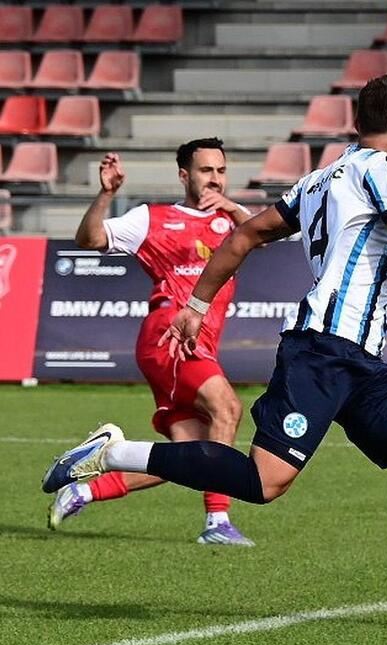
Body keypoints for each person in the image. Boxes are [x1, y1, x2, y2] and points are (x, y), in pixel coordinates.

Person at [42, 76, 387, 619]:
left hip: (360, 361)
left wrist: (196, 305)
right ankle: (111, 453)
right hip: (323, 351)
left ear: (358, 122)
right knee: (265, 482)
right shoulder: (382, 169)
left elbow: (243, 236)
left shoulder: (315, 182)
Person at [48, 139, 255, 546]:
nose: (214, 178)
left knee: (191, 456)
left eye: (220, 170)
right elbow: (89, 241)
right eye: (204, 171)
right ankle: (217, 523)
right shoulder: (153, 219)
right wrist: (107, 195)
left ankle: (85, 487)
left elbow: (264, 232)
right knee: (228, 408)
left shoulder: (233, 222)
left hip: (199, 344)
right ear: (184, 176)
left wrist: (232, 207)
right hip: (170, 337)